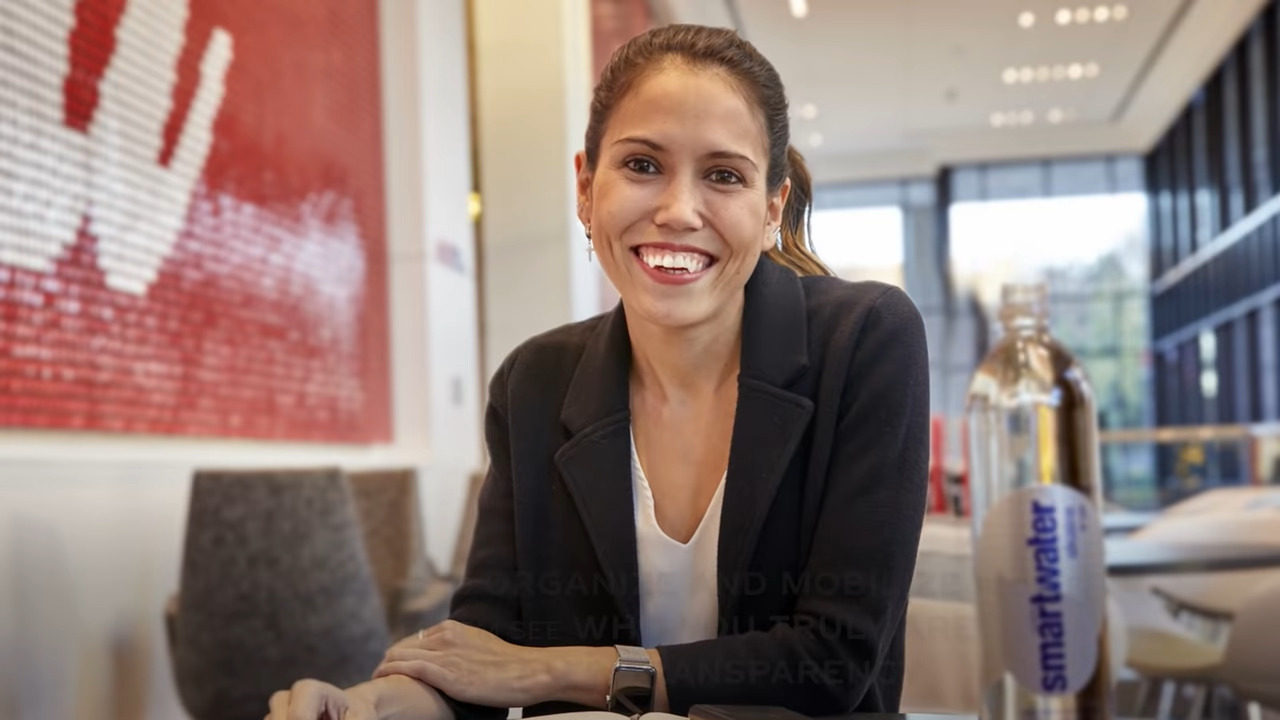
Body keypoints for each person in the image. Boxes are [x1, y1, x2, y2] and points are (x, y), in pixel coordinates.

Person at [266, 23, 929, 720]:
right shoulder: (536, 381)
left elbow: (832, 662)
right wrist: (364, 706)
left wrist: (553, 670)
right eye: (642, 165)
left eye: (724, 176)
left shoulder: (865, 341)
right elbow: (486, 650)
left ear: (770, 212)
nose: (678, 211)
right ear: (586, 188)